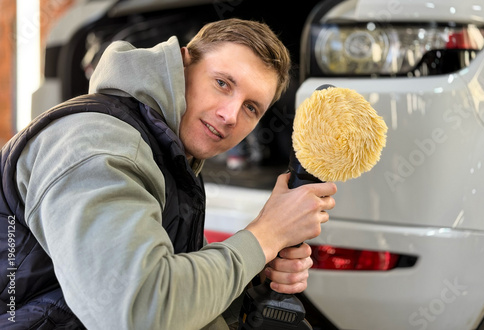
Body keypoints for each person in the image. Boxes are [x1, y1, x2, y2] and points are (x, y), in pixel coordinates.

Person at [0, 18, 337, 329]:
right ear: (182, 62)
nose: (231, 115)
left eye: (252, 107)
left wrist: (251, 274)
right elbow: (139, 312)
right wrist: (265, 236)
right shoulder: (100, 145)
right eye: (222, 83)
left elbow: (175, 293)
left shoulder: (165, 155)